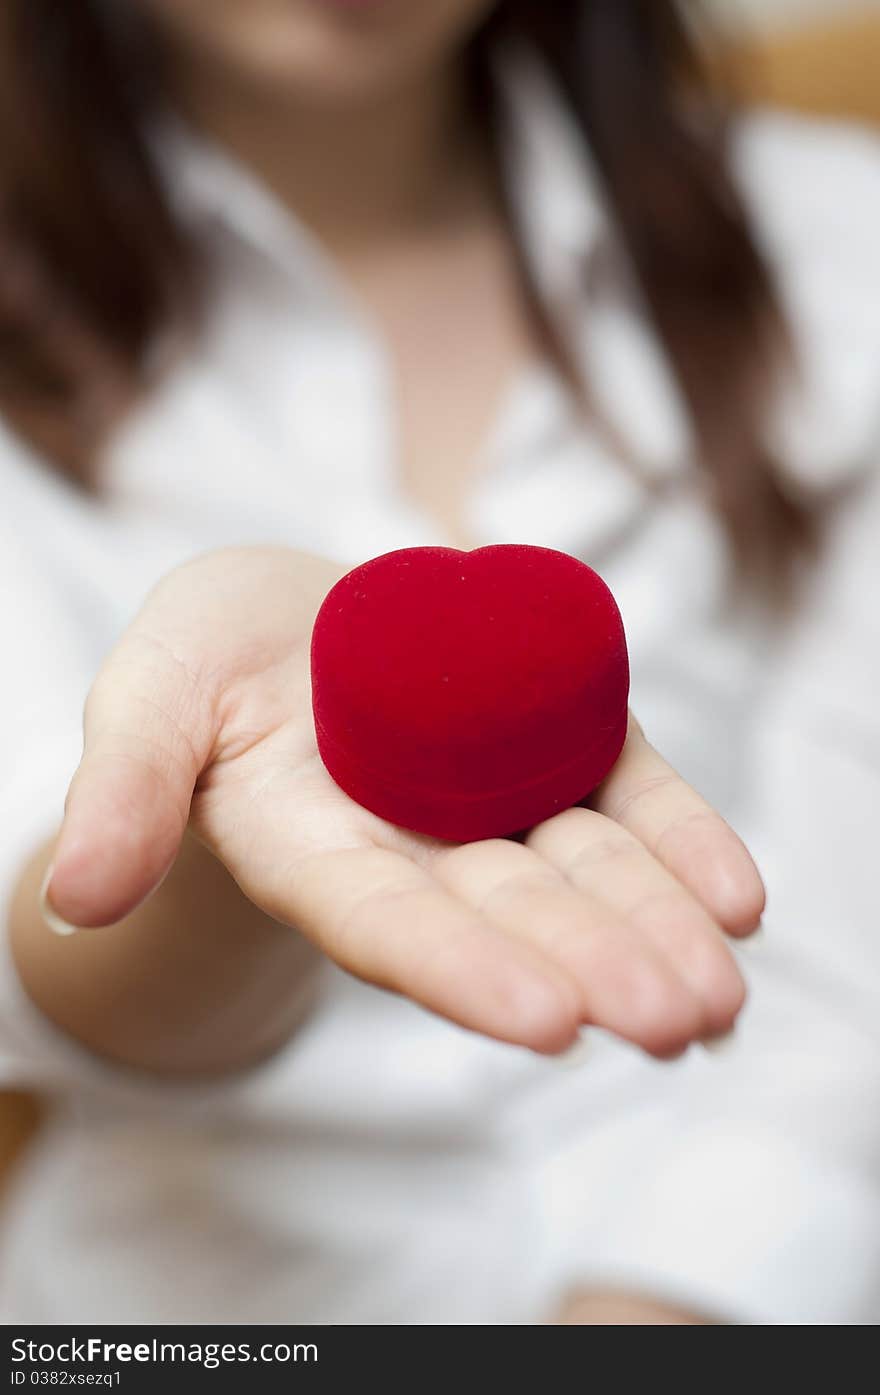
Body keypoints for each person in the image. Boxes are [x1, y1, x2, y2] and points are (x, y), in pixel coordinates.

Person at [0, 0, 878, 1325]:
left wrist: (664, 1305)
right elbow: (44, 979)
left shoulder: (835, 243)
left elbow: (855, 917)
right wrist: (208, 832)